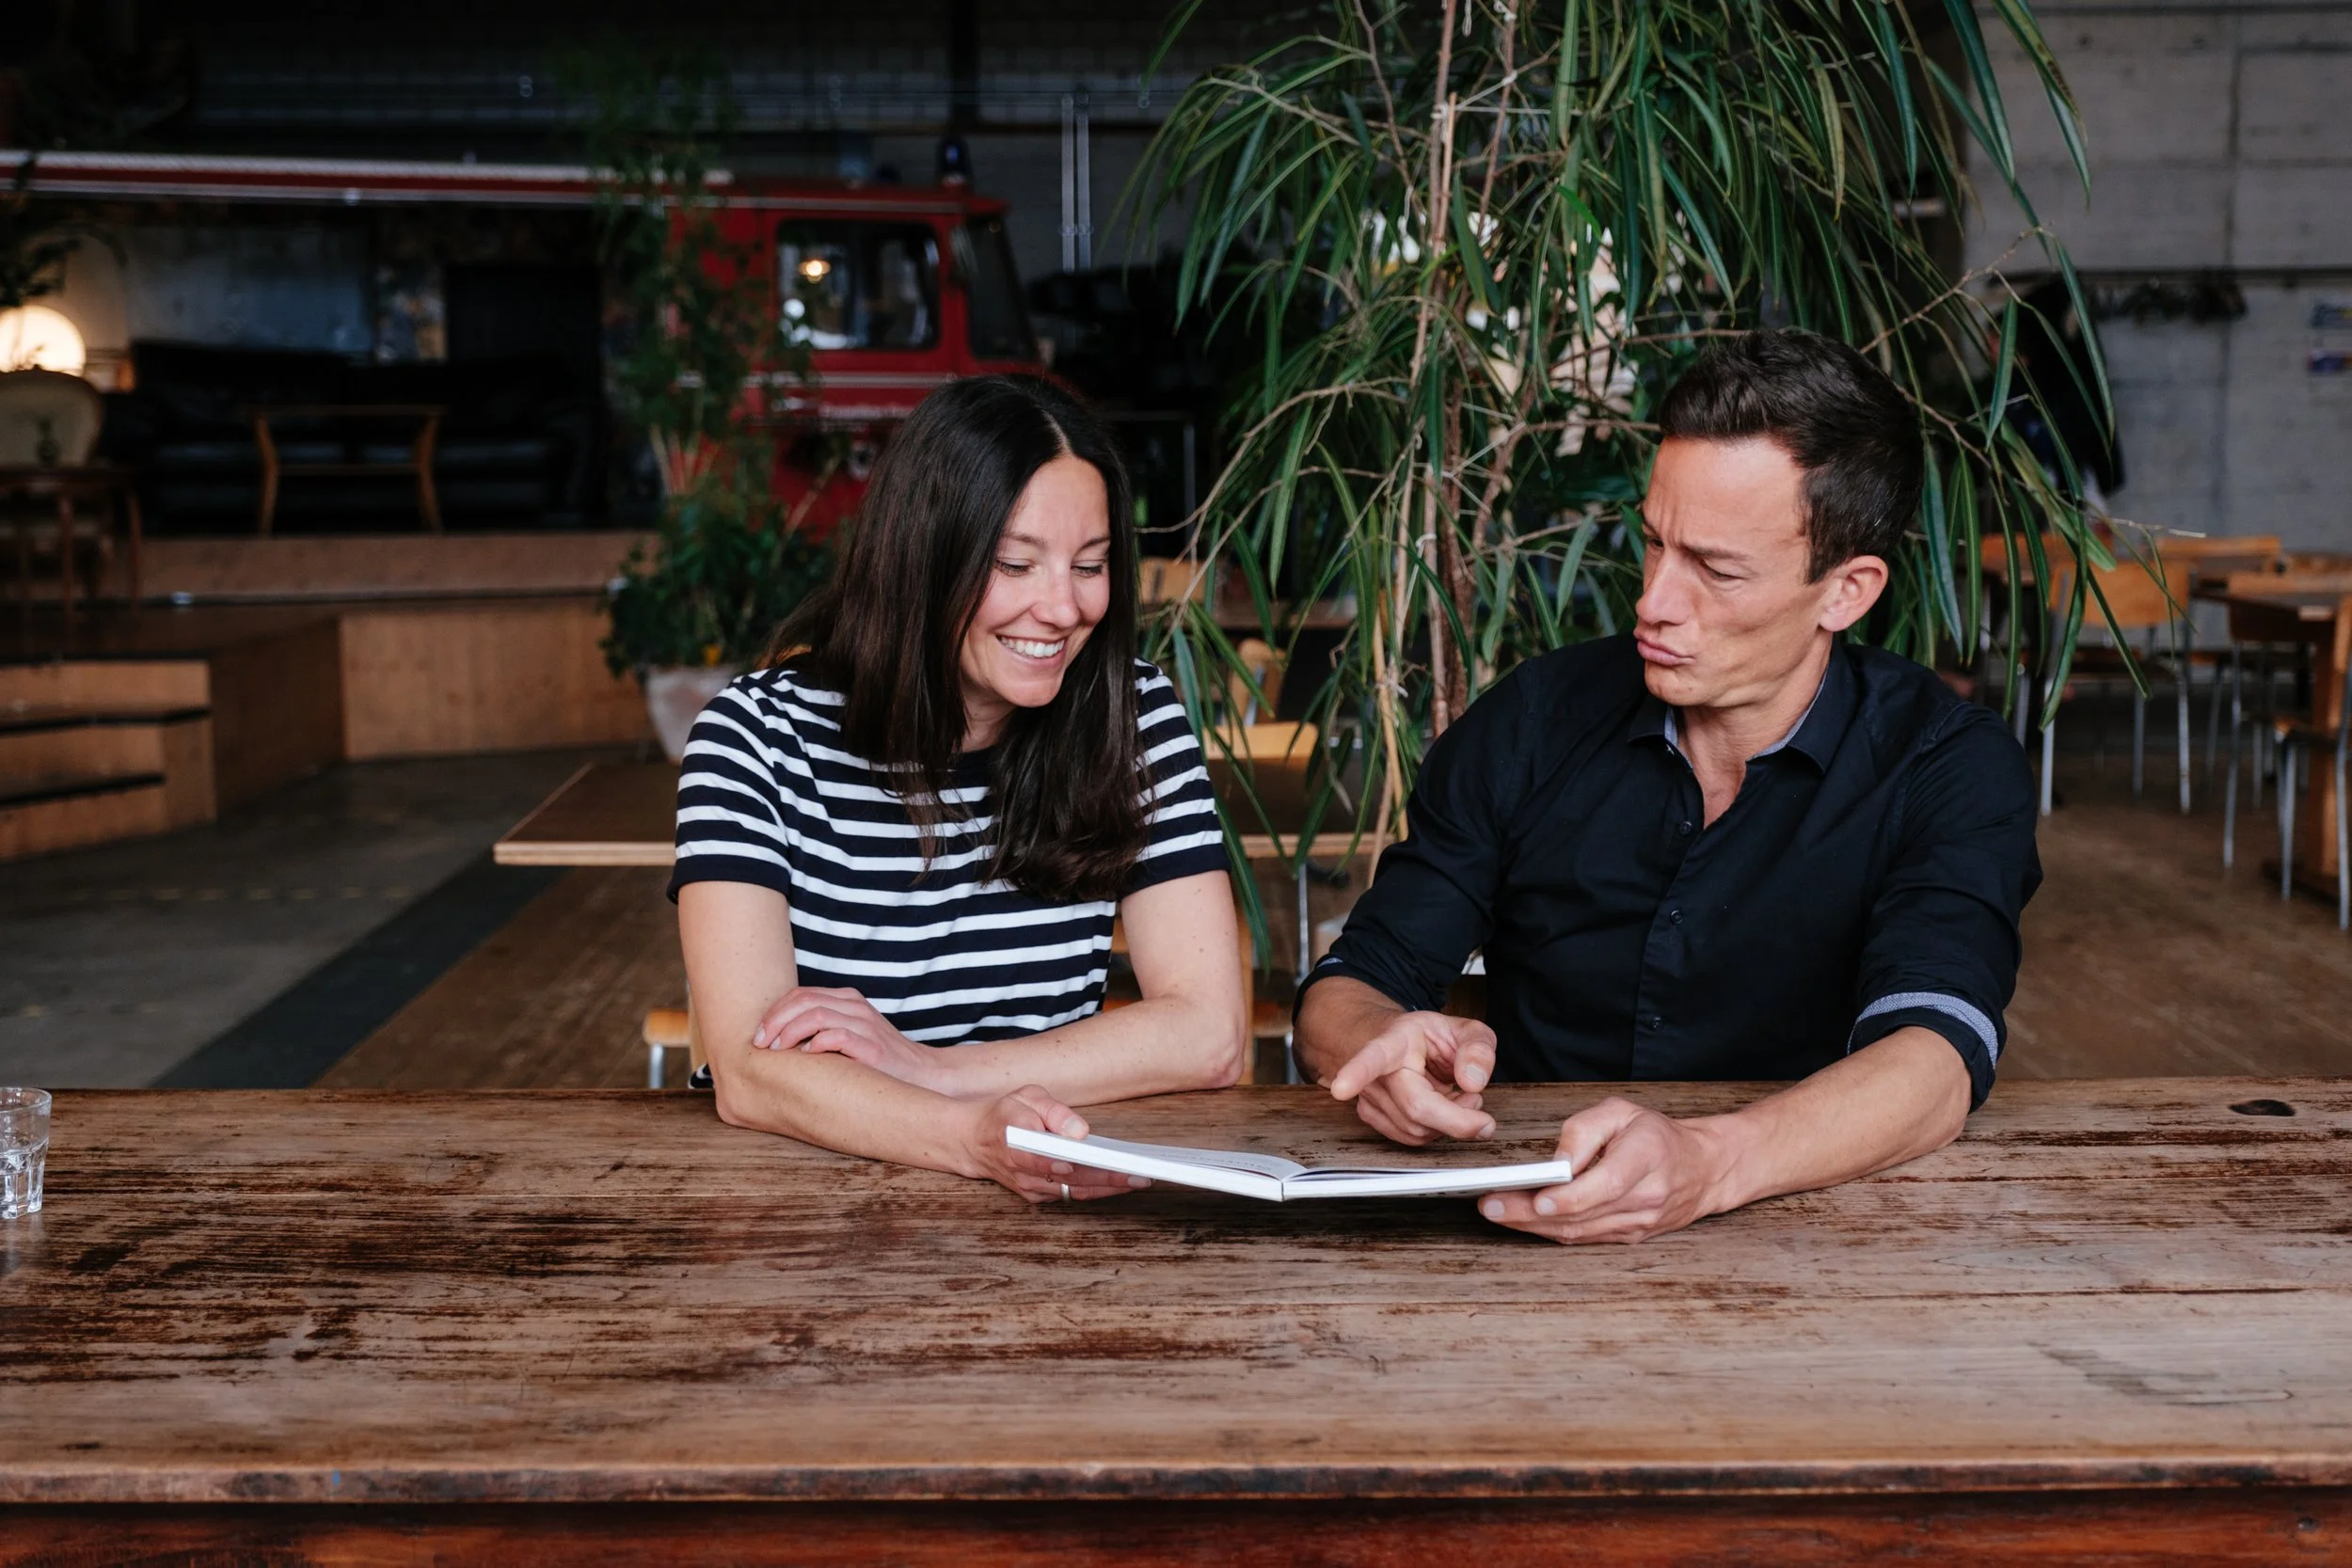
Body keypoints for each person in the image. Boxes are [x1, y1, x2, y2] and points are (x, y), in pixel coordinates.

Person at [1295, 329, 2042, 1245]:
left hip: (1820, 1228)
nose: (1653, 601)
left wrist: (1708, 1161)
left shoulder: (1945, 764)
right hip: (1515, 1232)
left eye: (1715, 569)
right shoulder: (1535, 718)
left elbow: (1933, 1061)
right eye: (1653, 544)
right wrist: (1380, 1049)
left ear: (1845, 592)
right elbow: (1350, 982)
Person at [673, 374, 1245, 1203]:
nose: (1062, 608)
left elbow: (1208, 1033)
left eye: (1090, 566)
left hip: (1048, 1184)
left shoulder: (1132, 715)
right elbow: (751, 1074)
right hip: (805, 1199)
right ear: (922, 557)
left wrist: (930, 1070)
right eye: (1016, 563)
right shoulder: (754, 739)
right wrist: (973, 1138)